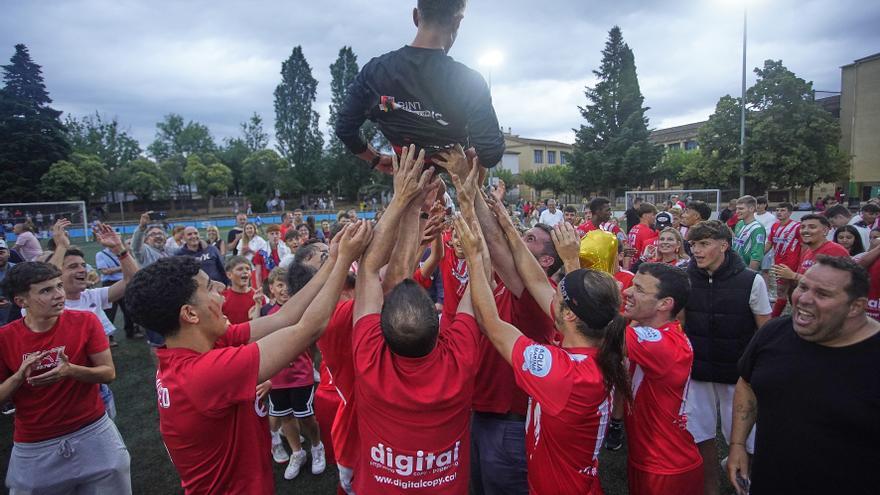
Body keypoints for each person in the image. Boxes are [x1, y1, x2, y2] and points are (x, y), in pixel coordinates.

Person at [124, 222, 370, 494]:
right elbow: (307, 328)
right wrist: (345, 260)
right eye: (209, 287)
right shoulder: (203, 374)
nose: (220, 286)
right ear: (190, 315)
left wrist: (334, 260)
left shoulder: (201, 344)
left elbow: (285, 317)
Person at [455, 212, 629, 495]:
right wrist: (511, 230)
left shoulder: (564, 372)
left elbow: (490, 323)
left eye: (557, 298)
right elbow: (536, 281)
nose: (550, 298)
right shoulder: (593, 349)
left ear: (570, 315)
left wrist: (476, 258)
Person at [351, 146, 477, 494]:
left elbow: (371, 270)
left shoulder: (368, 359)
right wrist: (467, 202)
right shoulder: (459, 359)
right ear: (439, 330)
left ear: (381, 331)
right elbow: (478, 290)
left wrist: (402, 197)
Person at [728, 256, 880, 494]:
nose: (804, 299)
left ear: (856, 306)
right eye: (803, 286)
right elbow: (747, 385)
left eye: (823, 294)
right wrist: (737, 445)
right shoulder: (774, 332)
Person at [0, 262, 131, 494]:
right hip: (35, 444)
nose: (59, 295)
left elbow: (108, 373)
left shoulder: (86, 321)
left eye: (59, 286)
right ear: (22, 302)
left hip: (93, 432)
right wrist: (18, 377)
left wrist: (71, 370)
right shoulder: (5, 338)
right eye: (45, 290)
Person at [335, 0, 504, 172]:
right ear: (457, 21)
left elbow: (345, 129)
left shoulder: (375, 73)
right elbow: (490, 153)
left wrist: (375, 158)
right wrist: (468, 156)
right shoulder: (469, 82)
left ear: (416, 16)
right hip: (453, 180)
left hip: (407, 179)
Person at [684, 220, 771, 495]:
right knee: (700, 436)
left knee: (747, 440)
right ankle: (710, 489)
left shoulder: (750, 280)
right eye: (693, 244)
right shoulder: (684, 278)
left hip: (738, 376)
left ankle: (744, 485)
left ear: (724, 245)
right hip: (697, 372)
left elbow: (765, 331)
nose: (696, 250)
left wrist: (761, 371)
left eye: (704, 244)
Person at [622, 263, 703, 495]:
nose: (627, 292)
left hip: (667, 468)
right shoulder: (653, 332)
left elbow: (596, 328)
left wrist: (571, 263)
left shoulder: (665, 344)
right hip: (647, 459)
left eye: (638, 289)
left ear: (665, 304)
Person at [264, 264, 325, 480]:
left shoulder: (302, 311)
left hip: (301, 375)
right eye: (279, 285)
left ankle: (317, 447)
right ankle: (297, 452)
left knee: (307, 416)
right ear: (271, 288)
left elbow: (313, 342)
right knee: (286, 417)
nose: (284, 289)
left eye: (287, 285)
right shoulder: (266, 314)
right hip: (277, 378)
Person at [771, 214, 850, 287]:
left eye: (812, 227)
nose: (805, 230)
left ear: (825, 231)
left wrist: (793, 276)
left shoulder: (835, 251)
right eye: (802, 227)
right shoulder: (807, 251)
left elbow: (832, 284)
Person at [766, 203, 802, 317]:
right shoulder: (774, 226)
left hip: (792, 265)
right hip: (779, 265)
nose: (779, 212)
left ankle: (773, 319)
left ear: (790, 213)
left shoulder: (797, 227)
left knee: (790, 292)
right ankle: (792, 316)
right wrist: (758, 255)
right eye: (777, 210)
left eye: (783, 210)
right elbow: (770, 243)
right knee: (784, 292)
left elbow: (803, 246)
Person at [96, 244, 138, 339]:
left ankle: (130, 332)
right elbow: (105, 271)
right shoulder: (100, 254)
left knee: (128, 309)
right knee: (109, 312)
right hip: (109, 284)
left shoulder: (123, 253)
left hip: (124, 281)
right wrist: (123, 267)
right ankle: (109, 337)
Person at [732, 195, 767, 271]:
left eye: (741, 209)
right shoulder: (739, 223)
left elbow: (756, 256)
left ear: (751, 209)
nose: (737, 211)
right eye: (736, 209)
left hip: (746, 271)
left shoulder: (757, 228)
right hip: (735, 268)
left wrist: (749, 276)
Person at [221, 256, 256, 325]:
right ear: (229, 275)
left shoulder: (257, 297)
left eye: (248, 269)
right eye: (240, 269)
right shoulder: (222, 298)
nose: (245, 272)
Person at [627, 202, 658, 269]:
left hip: (632, 263)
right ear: (645, 215)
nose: (654, 217)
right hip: (640, 265)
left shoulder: (634, 228)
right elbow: (648, 252)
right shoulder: (647, 231)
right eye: (653, 215)